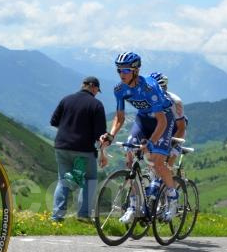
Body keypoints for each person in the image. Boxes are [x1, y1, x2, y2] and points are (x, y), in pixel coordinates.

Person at [99, 52, 178, 223]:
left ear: (136, 70)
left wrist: (150, 143)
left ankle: (172, 198)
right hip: (143, 120)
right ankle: (133, 206)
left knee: (157, 161)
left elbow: (162, 121)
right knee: (129, 156)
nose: (122, 74)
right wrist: (111, 135)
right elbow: (119, 118)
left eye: (126, 70)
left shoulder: (150, 87)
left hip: (162, 120)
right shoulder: (120, 89)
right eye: (119, 70)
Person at [49, 76, 107, 222]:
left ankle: (57, 216)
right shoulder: (96, 105)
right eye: (96, 90)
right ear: (93, 87)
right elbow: (100, 134)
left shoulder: (66, 99)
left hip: (61, 146)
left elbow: (54, 121)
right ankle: (83, 215)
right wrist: (102, 153)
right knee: (90, 179)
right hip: (83, 149)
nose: (96, 93)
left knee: (63, 180)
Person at [149, 72, 187, 168]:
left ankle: (171, 180)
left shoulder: (175, 102)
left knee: (167, 165)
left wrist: (171, 145)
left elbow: (181, 128)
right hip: (160, 130)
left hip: (176, 130)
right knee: (151, 164)